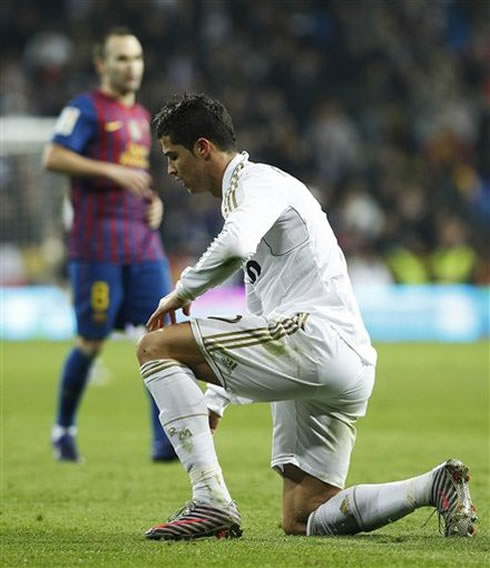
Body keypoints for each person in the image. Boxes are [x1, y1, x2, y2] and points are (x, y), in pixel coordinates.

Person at [136, 93, 478, 540]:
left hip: (313, 337)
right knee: (305, 516)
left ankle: (210, 501)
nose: (171, 170)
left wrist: (183, 290)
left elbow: (236, 246)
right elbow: (257, 308)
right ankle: (434, 485)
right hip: (341, 358)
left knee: (155, 346)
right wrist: (216, 399)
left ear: (203, 148)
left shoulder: (256, 183)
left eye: (173, 156)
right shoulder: (251, 199)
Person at [42, 28, 176, 463]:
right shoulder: (84, 109)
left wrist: (153, 205)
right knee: (91, 342)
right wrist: (113, 172)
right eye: (121, 58)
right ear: (102, 64)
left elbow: (138, 180)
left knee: (162, 336)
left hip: (142, 244)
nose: (131, 66)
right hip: (96, 247)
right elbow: (54, 157)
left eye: (136, 58)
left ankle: (164, 440)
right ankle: (63, 430)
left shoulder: (141, 116)